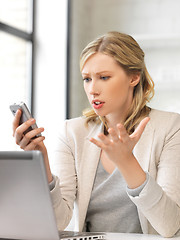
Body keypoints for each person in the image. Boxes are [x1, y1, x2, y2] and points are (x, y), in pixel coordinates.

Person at [12, 31, 180, 237]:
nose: (93, 89)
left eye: (104, 77)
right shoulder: (72, 132)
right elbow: (58, 221)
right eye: (87, 79)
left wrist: (127, 163)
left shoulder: (171, 127)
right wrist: (41, 159)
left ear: (134, 77)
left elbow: (169, 225)